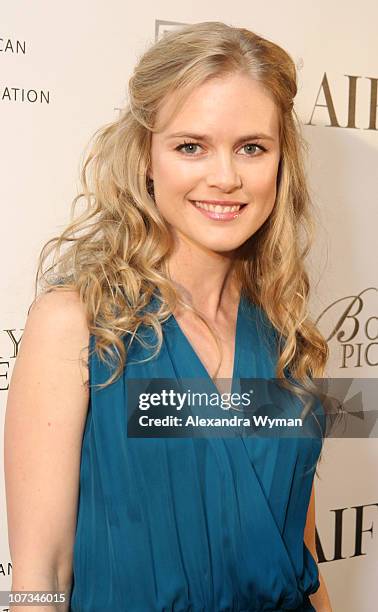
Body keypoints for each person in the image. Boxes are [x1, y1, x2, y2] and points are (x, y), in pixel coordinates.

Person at [4, 21, 333, 612]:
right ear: (146, 157)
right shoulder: (76, 325)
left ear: (281, 164)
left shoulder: (287, 336)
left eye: (252, 147)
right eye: (191, 146)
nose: (226, 177)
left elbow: (300, 556)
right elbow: (40, 575)